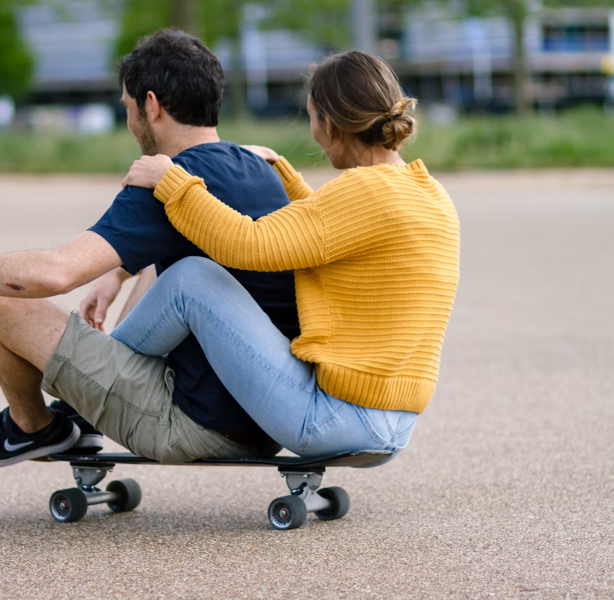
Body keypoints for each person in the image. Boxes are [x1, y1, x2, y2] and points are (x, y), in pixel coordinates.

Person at [0, 29, 297, 466]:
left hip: (197, 423)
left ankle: (31, 428)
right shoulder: (258, 166)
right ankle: (79, 413)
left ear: (152, 105)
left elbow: (54, 273)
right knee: (167, 264)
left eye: (129, 109)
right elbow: (191, 236)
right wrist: (116, 273)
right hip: (266, 416)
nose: (130, 123)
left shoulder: (167, 179)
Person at [115, 50, 461, 460]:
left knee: (192, 280)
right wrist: (284, 172)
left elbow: (249, 244)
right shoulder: (427, 192)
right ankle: (100, 374)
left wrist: (173, 183)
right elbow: (338, 233)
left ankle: (91, 377)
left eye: (312, 117)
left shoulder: (362, 192)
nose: (312, 131)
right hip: (392, 422)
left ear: (330, 124)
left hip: (332, 418)